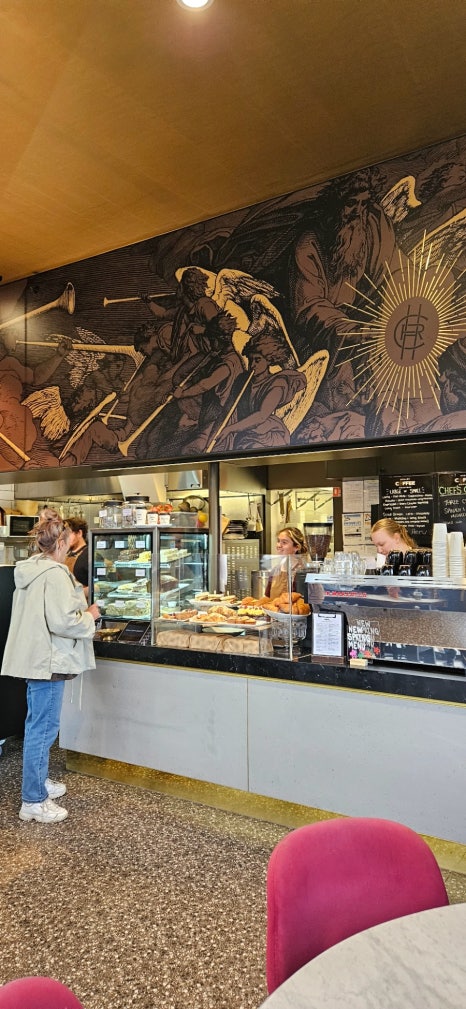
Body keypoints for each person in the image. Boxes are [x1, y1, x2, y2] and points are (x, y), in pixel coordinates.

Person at [0, 508, 99, 824]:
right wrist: (90, 616)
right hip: (49, 659)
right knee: (43, 728)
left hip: (35, 657)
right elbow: (63, 622)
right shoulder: (55, 574)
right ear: (62, 542)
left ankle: (38, 781)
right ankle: (33, 799)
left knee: (38, 724)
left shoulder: (32, 568)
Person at [265, 527, 309, 600]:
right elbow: (268, 598)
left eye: (284, 542)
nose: (279, 545)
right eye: (278, 541)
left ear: (297, 547)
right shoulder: (275, 569)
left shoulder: (303, 572)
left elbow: (304, 601)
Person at [65, 515, 89, 598]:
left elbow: (98, 586)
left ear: (79, 533)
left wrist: (75, 594)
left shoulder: (89, 555)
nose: (65, 538)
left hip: (83, 604)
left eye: (68, 534)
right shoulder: (65, 554)